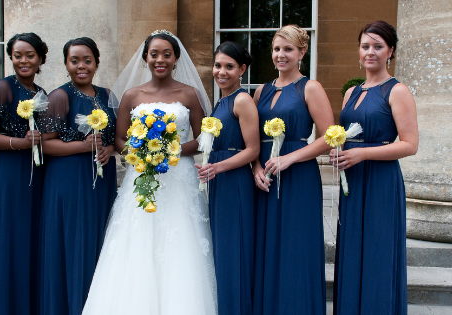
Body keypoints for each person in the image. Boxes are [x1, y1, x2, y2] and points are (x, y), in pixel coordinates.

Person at [81, 30, 217, 315]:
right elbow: (119, 141)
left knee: (180, 244)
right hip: (140, 176)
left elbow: (203, 139)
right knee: (137, 241)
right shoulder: (132, 95)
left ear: (176, 58)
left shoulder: (189, 94)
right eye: (154, 54)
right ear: (145, 58)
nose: (160, 59)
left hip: (179, 180)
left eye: (167, 54)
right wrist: (141, 152)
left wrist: (172, 151)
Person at [330, 21, 418, 315]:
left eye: (378, 46)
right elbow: (346, 135)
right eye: (365, 46)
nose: (370, 52)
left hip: (380, 181)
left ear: (390, 51)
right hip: (353, 180)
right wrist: (338, 150)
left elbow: (409, 144)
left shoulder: (397, 90)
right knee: (353, 248)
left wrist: (363, 154)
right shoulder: (351, 92)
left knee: (378, 250)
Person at [251, 25, 333, 314]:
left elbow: (329, 137)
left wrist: (290, 158)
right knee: (266, 245)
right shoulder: (261, 90)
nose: (280, 55)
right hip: (264, 178)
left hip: (299, 178)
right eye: (276, 49)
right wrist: (255, 166)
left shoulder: (310, 87)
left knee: (296, 246)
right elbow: (249, 137)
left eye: (288, 49)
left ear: (302, 52)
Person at [0, 32, 48, 315]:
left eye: (30, 55)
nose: (23, 61)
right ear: (11, 58)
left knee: (27, 242)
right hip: (5, 175)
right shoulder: (2, 89)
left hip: (34, 177)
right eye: (18, 56)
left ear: (40, 59)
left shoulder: (41, 94)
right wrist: (20, 143)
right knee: (5, 240)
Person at [39, 37, 117, 314]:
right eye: (74, 61)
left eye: (87, 60)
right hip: (69, 179)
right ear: (66, 64)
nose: (81, 66)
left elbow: (115, 139)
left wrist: (108, 149)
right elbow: (44, 143)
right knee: (75, 243)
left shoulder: (108, 95)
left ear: (96, 62)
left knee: (99, 242)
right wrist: (82, 146)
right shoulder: (59, 96)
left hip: (102, 178)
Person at [196, 41, 260, 315]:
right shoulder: (221, 101)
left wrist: (218, 168)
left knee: (234, 249)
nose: (222, 71)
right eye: (218, 65)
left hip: (235, 183)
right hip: (219, 182)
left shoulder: (242, 100)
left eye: (229, 66)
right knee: (222, 249)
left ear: (242, 69)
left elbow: (253, 149)